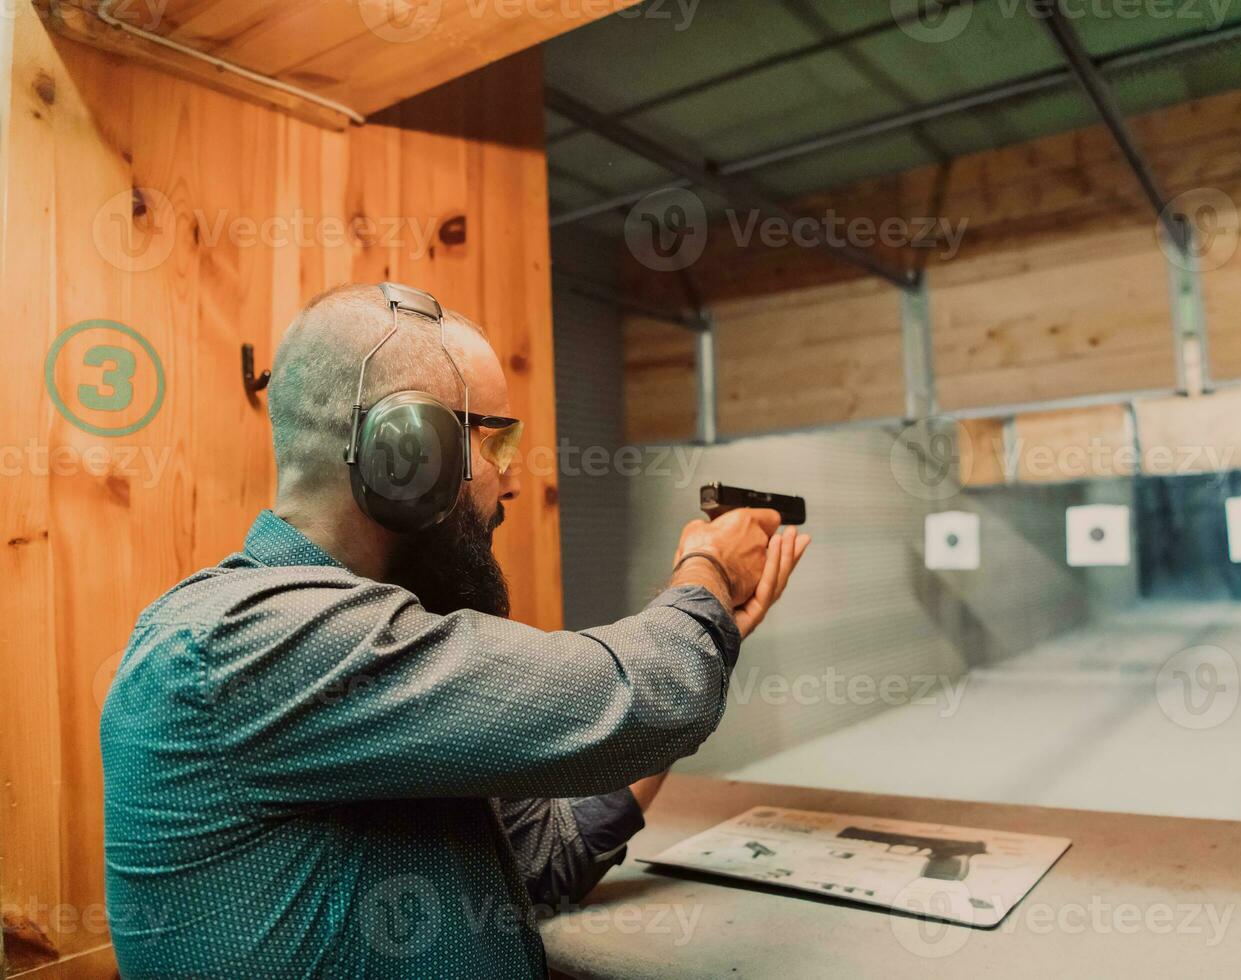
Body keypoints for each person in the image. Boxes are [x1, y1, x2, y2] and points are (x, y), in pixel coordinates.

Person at [100, 283, 810, 978]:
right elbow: (642, 698)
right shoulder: (249, 640)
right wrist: (709, 570)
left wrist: (714, 632)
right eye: (496, 441)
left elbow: (548, 857)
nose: (510, 482)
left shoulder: (374, 654)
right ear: (410, 453)